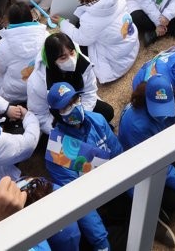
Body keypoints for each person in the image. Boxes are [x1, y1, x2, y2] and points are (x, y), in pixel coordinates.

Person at [118, 76, 175, 245]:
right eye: (157, 109)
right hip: (145, 166)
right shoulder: (134, 124)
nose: (164, 115)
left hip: (166, 148)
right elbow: (157, 165)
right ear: (146, 100)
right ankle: (154, 215)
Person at [44, 81, 124, 251]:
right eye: (65, 107)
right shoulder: (58, 149)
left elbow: (120, 156)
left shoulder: (98, 120)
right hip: (92, 202)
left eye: (75, 100)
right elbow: (77, 198)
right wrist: (101, 242)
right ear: (56, 114)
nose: (74, 107)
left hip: (113, 184)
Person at [57, 0, 139, 84]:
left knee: (76, 43)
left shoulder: (91, 20)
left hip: (116, 60)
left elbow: (81, 39)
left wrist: (62, 23)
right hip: (129, 45)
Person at [26, 32, 113, 134]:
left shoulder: (83, 64)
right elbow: (40, 115)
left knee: (107, 112)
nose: (71, 60)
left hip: (79, 106)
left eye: (72, 53)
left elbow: (89, 92)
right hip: (57, 117)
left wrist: (82, 117)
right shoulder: (36, 83)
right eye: (63, 58)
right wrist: (65, 130)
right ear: (51, 60)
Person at [0, 2, 50, 105]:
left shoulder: (4, 44)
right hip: (40, 89)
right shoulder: (46, 36)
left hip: (14, 93)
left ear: (9, 20)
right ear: (31, 17)